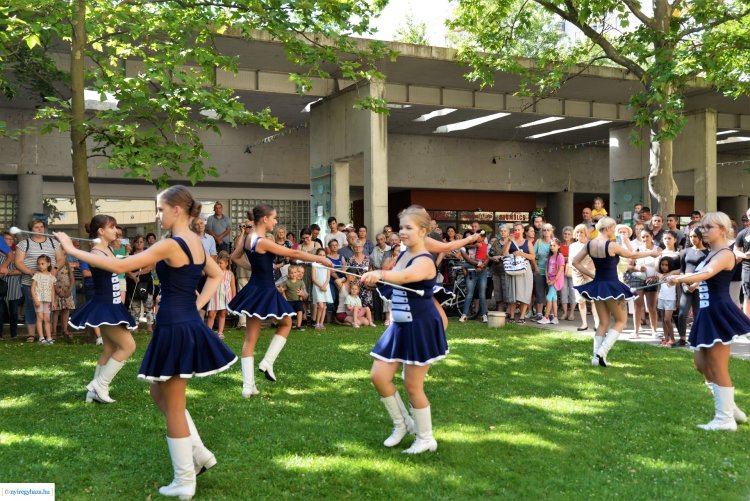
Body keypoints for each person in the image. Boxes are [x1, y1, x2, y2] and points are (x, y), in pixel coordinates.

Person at [56, 187, 238, 499]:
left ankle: (185, 479)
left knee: (175, 405)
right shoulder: (195, 240)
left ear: (177, 210)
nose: (158, 215)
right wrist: (198, 305)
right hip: (179, 322)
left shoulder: (170, 244)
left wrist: (71, 248)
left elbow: (117, 266)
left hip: (175, 326)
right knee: (158, 391)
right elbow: (215, 274)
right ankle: (201, 454)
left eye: (160, 209)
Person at [360, 205, 447, 454]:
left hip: (420, 327)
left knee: (412, 385)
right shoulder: (403, 255)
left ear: (423, 231)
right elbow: (395, 280)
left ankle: (426, 438)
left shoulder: (425, 261)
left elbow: (405, 277)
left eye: (408, 228)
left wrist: (380, 272)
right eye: (401, 228)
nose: (402, 232)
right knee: (378, 376)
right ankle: (403, 424)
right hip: (399, 325)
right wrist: (374, 279)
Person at [228, 204, 332, 397]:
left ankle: (250, 384)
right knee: (284, 324)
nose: (276, 222)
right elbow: (294, 253)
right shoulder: (262, 240)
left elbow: (235, 257)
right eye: (274, 218)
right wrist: (320, 259)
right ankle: (264, 366)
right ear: (265, 219)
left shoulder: (249, 238)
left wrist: (256, 269)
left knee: (261, 334)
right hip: (264, 289)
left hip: (256, 288)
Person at [667, 212, 750, 431]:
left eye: (707, 227)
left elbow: (708, 273)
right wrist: (692, 285)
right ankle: (732, 409)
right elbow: (706, 278)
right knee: (701, 365)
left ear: (722, 229)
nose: (703, 231)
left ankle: (724, 420)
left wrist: (681, 278)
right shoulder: (711, 252)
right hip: (705, 312)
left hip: (718, 312)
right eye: (701, 228)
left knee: (718, 366)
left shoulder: (725, 253)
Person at [66, 215, 137, 404]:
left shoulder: (106, 249)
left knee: (110, 348)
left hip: (111, 305)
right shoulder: (96, 252)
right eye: (112, 227)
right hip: (105, 306)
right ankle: (100, 385)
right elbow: (117, 267)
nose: (116, 231)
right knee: (129, 346)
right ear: (101, 231)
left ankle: (93, 391)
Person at [573, 217, 661, 367]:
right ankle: (601, 352)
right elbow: (632, 255)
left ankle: (596, 358)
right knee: (621, 321)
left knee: (603, 323)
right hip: (612, 286)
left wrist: (592, 275)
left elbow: (575, 262)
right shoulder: (611, 245)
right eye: (613, 228)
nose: (614, 231)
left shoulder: (589, 244)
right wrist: (652, 254)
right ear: (607, 229)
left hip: (598, 285)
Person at [15, 219, 64, 343]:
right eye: (36, 227)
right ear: (31, 229)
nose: (39, 229)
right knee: (32, 307)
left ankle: (48, 334)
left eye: (41, 226)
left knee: (48, 307)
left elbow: (61, 259)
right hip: (30, 282)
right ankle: (32, 334)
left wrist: (55, 269)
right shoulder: (24, 243)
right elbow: (18, 262)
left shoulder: (53, 243)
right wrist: (30, 271)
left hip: (48, 282)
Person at [676, 228, 708, 347]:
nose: (692, 239)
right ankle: (682, 338)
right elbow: (682, 270)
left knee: (697, 313)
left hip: (699, 287)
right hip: (686, 286)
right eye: (690, 236)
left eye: (695, 236)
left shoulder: (707, 253)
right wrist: (684, 284)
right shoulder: (685, 251)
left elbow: (707, 272)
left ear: (700, 237)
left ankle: (698, 338)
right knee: (682, 313)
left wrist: (695, 284)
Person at [629, 229, 661, 338]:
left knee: (651, 307)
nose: (645, 239)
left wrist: (656, 276)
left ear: (652, 237)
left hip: (652, 280)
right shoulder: (636, 249)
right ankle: (636, 331)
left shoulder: (658, 249)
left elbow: (664, 266)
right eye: (643, 237)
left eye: (647, 236)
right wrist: (637, 267)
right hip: (637, 279)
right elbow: (628, 266)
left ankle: (654, 331)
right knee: (637, 306)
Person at [569, 224, 599, 331]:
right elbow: (571, 262)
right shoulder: (572, 246)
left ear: (586, 233)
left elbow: (595, 260)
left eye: (581, 232)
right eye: (577, 232)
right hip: (577, 275)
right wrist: (578, 270)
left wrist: (587, 270)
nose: (579, 234)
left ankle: (597, 324)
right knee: (581, 300)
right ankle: (584, 324)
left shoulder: (591, 245)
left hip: (590, 274)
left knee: (593, 300)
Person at [504, 223, 535, 323]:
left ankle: (522, 317)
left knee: (524, 293)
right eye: (515, 230)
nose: (517, 232)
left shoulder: (528, 242)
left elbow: (533, 257)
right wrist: (509, 240)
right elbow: (504, 254)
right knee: (513, 293)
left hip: (525, 269)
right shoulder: (510, 241)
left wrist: (521, 253)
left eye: (519, 230)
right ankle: (512, 317)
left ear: (522, 230)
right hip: (513, 269)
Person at [458, 230, 489, 323]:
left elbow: (488, 257)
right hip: (472, 271)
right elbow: (468, 260)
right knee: (469, 294)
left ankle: (484, 315)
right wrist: (479, 264)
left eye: (479, 236)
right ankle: (464, 314)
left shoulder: (484, 245)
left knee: (482, 294)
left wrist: (482, 266)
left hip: (482, 271)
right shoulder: (465, 248)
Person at [127, 235, 155, 333]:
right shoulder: (130, 254)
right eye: (137, 242)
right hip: (132, 282)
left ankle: (149, 326)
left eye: (141, 242)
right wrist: (132, 276)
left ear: (144, 243)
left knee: (148, 305)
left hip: (146, 282)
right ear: (134, 243)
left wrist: (137, 273)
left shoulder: (148, 253)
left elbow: (150, 267)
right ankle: (135, 327)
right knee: (135, 306)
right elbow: (125, 268)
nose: (139, 244)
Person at [206, 253, 235, 340]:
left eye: (221, 263)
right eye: (217, 263)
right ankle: (208, 332)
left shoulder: (230, 274)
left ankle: (220, 332)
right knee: (211, 314)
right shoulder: (213, 272)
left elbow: (233, 287)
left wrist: (233, 299)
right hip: (214, 297)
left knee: (222, 314)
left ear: (226, 264)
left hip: (225, 297)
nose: (218, 265)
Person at [0, 232, 21, 339]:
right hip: (1, 287)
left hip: (13, 287)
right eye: (7, 239)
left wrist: (9, 272)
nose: (10, 241)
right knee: (1, 311)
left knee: (14, 312)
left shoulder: (17, 254)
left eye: (11, 239)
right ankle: (0, 335)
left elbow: (21, 270)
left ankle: (14, 335)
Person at [538, 239, 564, 324]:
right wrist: (547, 279)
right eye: (551, 245)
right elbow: (546, 269)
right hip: (550, 280)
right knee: (554, 298)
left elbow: (560, 269)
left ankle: (546, 317)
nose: (552, 247)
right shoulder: (550, 256)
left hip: (556, 281)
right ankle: (555, 318)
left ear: (558, 246)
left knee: (548, 297)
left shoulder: (560, 256)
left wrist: (554, 280)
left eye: (554, 245)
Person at [532, 223, 554, 322]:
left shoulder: (554, 242)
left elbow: (558, 257)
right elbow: (533, 255)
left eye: (548, 230)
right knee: (539, 293)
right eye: (544, 230)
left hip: (551, 273)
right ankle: (539, 313)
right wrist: (535, 267)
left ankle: (551, 314)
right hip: (539, 271)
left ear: (551, 231)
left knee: (551, 293)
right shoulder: (538, 242)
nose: (546, 232)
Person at [32, 255, 56, 344]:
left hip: (48, 300)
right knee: (40, 318)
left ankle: (49, 337)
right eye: (39, 264)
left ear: (48, 264)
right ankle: (41, 338)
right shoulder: (37, 275)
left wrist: (53, 301)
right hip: (39, 299)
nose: (40, 266)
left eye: (42, 264)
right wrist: (35, 299)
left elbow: (53, 290)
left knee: (47, 319)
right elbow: (32, 288)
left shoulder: (51, 276)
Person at [52, 248, 75, 340]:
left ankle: (64, 330)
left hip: (66, 290)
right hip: (56, 289)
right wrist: (57, 290)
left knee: (66, 309)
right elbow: (51, 277)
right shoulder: (54, 263)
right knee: (56, 311)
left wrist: (70, 290)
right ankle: (53, 331)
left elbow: (71, 277)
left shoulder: (66, 263)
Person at [279, 264, 307, 331]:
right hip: (289, 300)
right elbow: (283, 290)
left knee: (300, 311)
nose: (294, 274)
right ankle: (289, 325)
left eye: (295, 272)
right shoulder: (287, 282)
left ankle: (299, 325)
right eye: (291, 273)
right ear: (289, 274)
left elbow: (303, 291)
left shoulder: (300, 282)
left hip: (298, 300)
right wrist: (284, 296)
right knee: (289, 313)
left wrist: (302, 295)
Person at [734, 208, 750, 317]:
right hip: (747, 267)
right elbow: (735, 251)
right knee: (747, 297)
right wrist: (744, 255)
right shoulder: (743, 233)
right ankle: (747, 325)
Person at [311, 248, 332, 330]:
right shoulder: (314, 265)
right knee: (320, 305)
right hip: (317, 287)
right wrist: (321, 286)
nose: (322, 257)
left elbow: (328, 278)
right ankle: (317, 323)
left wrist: (324, 286)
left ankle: (321, 323)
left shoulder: (327, 266)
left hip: (325, 287)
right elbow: (314, 278)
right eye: (320, 255)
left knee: (324, 306)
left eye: (324, 255)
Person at [559, 226, 576, 321]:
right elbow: (557, 257)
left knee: (573, 292)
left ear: (572, 235)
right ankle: (565, 313)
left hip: (572, 270)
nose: (566, 235)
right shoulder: (560, 245)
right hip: (561, 271)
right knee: (563, 291)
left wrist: (565, 258)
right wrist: (567, 258)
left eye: (569, 234)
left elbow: (576, 258)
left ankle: (572, 313)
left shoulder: (575, 245)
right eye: (565, 234)